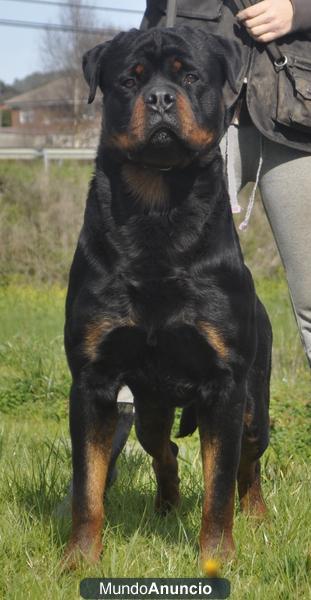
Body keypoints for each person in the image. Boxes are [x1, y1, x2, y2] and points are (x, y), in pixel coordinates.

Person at [106, 0, 311, 482]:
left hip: (295, 102)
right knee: (127, 297)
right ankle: (93, 482)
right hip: (182, 97)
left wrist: (298, 11)